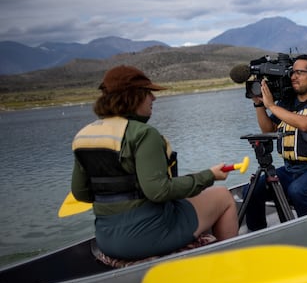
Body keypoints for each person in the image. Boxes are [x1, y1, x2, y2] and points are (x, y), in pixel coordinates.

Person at [71, 65, 238, 261]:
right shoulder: (143, 134)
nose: (154, 98)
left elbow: (80, 193)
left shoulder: (84, 136)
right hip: (149, 236)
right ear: (133, 96)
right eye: (148, 93)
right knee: (223, 195)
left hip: (107, 240)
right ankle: (229, 265)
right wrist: (209, 176)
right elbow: (158, 191)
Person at [245, 54, 307, 229]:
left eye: (299, 73)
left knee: (298, 190)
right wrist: (259, 105)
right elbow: (268, 129)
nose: (293, 77)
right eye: (292, 72)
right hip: (290, 170)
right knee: (251, 189)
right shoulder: (287, 103)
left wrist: (272, 106)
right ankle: (257, 235)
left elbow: (305, 124)